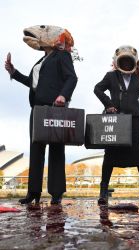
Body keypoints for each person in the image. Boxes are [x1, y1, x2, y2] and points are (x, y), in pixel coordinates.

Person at [4, 25, 77, 204]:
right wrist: (13, 72)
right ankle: (33, 193)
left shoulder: (62, 56)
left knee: (56, 150)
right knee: (36, 150)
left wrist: (63, 95)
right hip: (37, 110)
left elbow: (72, 78)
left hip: (55, 109)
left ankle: (56, 193)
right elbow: (32, 83)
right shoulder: (40, 61)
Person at [94, 45, 139, 205]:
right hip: (115, 120)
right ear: (118, 62)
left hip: (135, 121)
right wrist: (108, 104)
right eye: (124, 61)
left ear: (134, 62)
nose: (127, 64)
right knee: (109, 155)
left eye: (130, 61)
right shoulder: (111, 76)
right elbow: (97, 89)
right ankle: (103, 193)